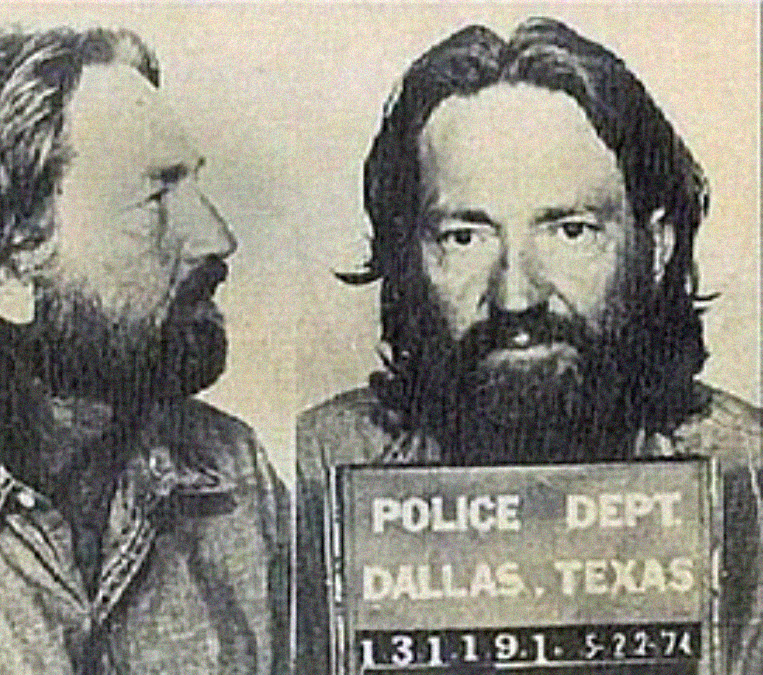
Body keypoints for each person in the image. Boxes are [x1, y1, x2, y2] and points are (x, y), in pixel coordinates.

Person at [296, 17, 761, 675]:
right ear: (405, 257)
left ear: (654, 247)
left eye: (569, 231)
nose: (516, 295)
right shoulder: (308, 476)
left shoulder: (751, 482)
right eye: (464, 236)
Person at [0, 27, 287, 674]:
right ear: (6, 274)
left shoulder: (238, 479)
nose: (217, 238)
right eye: (155, 199)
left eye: (192, 187)